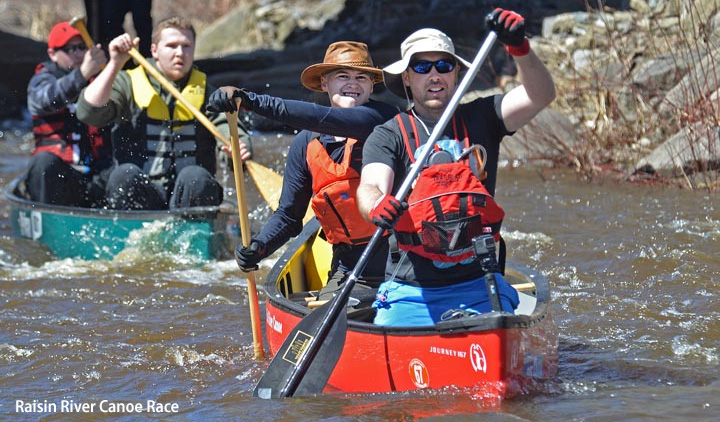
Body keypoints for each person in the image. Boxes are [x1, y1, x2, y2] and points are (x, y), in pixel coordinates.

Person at [356, 9, 556, 326]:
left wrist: (520, 48)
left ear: (455, 75)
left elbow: (542, 95)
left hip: (480, 283)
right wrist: (376, 205)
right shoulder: (388, 134)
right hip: (412, 289)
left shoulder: (485, 117)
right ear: (407, 78)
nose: (434, 74)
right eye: (422, 67)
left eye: (443, 66)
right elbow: (370, 186)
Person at [207, 42, 398, 300]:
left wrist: (250, 101)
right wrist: (258, 247)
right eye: (343, 76)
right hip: (348, 268)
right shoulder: (305, 144)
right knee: (327, 314)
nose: (353, 83)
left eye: (361, 77)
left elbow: (322, 117)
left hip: (399, 264)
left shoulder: (383, 119)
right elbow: (288, 217)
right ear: (324, 84)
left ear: (371, 86)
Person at [76, 16, 252, 210]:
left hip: (189, 196)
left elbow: (229, 128)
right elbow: (88, 112)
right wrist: (115, 63)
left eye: (186, 46)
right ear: (154, 51)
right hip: (143, 194)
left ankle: (193, 232)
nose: (180, 53)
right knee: (123, 174)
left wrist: (238, 147)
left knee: (196, 176)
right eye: (172, 46)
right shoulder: (127, 83)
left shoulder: (208, 93)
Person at [21, 21, 110, 207]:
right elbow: (48, 100)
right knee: (42, 163)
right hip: (60, 177)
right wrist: (83, 74)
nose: (79, 54)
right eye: (70, 49)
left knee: (125, 172)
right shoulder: (41, 80)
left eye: (82, 47)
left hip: (96, 176)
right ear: (52, 54)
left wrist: (114, 66)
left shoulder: (101, 80)